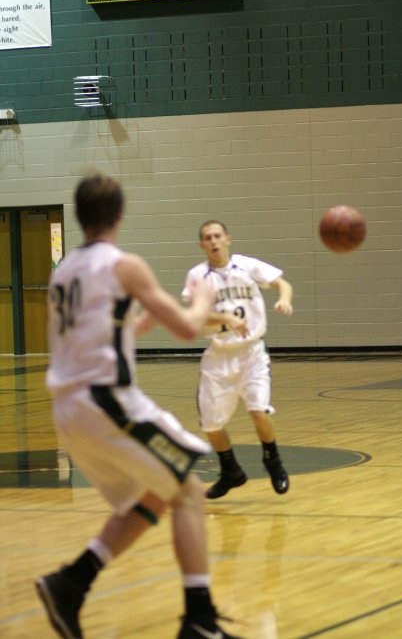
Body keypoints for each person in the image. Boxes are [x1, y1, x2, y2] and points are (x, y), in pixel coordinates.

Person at [35, 176, 242, 639]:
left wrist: (144, 317)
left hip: (68, 412)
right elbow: (189, 328)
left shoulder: (64, 271)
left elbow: (111, 333)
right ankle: (200, 622)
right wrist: (205, 300)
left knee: (151, 496)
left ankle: (70, 583)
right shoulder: (125, 265)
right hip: (106, 404)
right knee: (188, 488)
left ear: (79, 215)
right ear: (120, 215)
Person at [182, 220, 293, 500]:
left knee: (258, 411)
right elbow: (197, 316)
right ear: (201, 245)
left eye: (218, 236)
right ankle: (230, 470)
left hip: (251, 353)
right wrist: (226, 318)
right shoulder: (197, 275)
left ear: (228, 239)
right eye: (207, 237)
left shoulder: (246, 266)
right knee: (211, 425)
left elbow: (282, 282)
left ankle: (273, 461)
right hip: (218, 357)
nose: (214, 241)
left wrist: (284, 298)